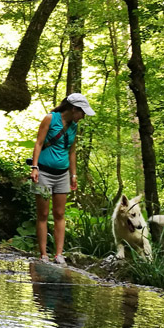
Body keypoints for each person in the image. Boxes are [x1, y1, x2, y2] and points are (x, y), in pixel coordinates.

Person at [30, 93, 95, 264]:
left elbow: (71, 151)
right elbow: (38, 143)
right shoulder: (50, 119)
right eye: (82, 113)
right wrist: (34, 167)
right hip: (44, 172)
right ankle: (43, 254)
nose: (83, 117)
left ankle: (58, 254)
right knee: (43, 214)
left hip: (62, 175)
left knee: (59, 213)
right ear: (74, 109)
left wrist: (73, 175)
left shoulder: (74, 126)